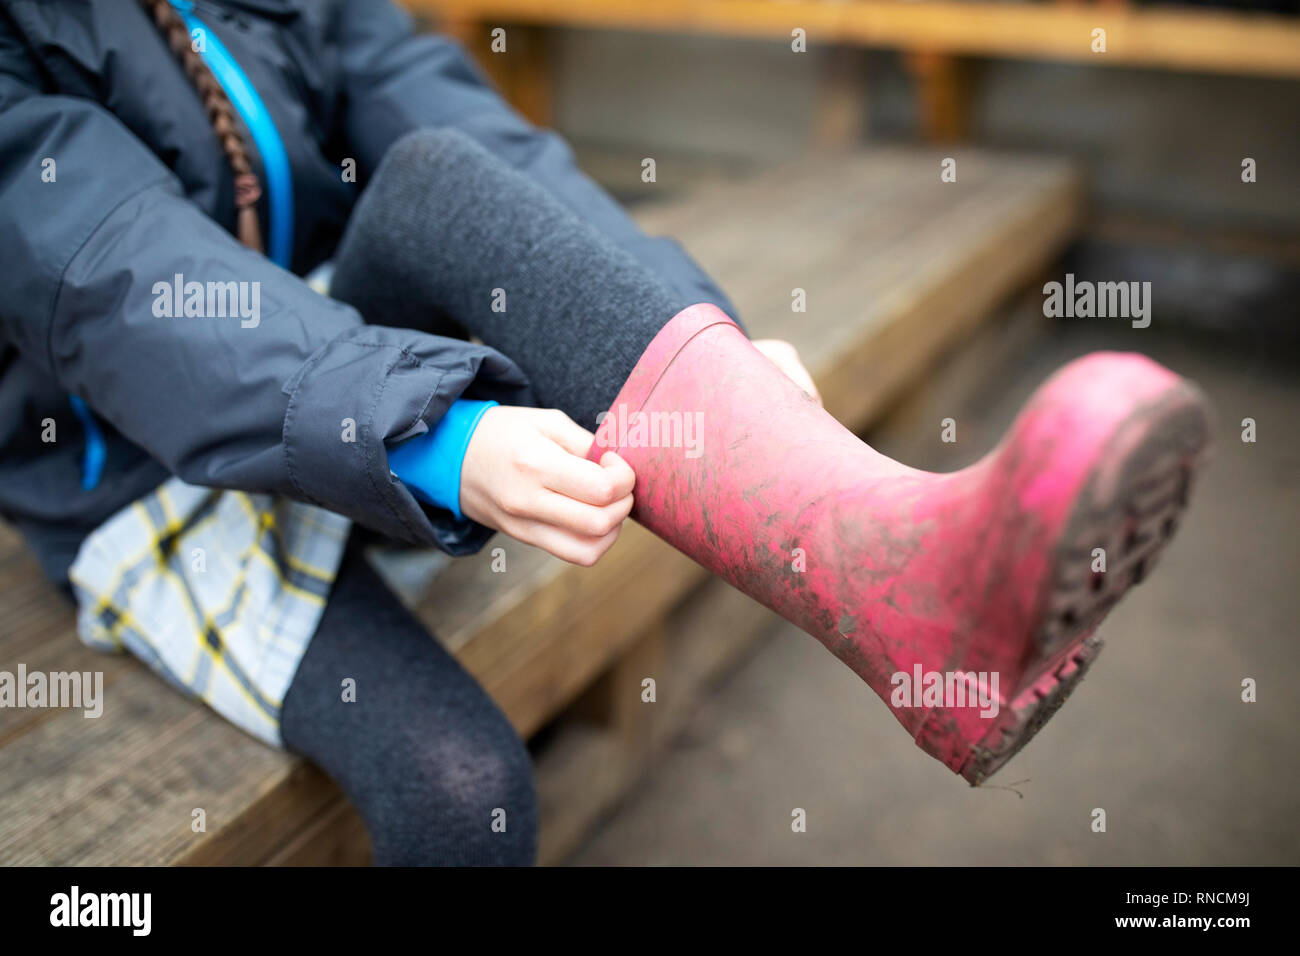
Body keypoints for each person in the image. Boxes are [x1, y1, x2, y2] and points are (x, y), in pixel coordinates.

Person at [0, 0, 1209, 866]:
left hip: (354, 366)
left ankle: (894, 572)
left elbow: (485, 148)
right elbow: (120, 283)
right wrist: (429, 437)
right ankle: (911, 591)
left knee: (434, 174)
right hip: (149, 476)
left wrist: (700, 346)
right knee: (466, 795)